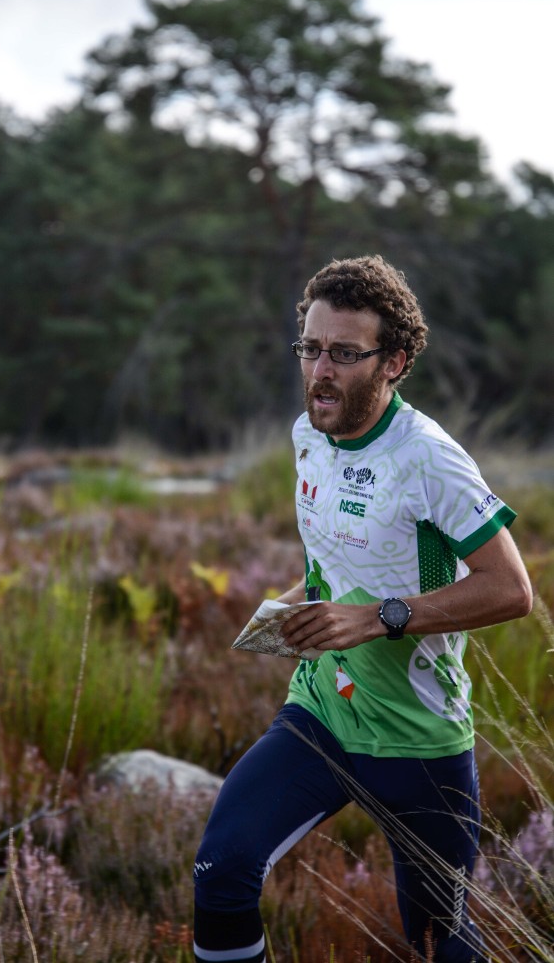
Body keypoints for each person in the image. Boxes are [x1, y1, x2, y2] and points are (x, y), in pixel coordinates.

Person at [192, 255, 533, 963]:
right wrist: (286, 613)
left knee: (438, 936)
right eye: (311, 349)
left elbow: (510, 589)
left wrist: (379, 617)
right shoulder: (307, 436)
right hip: (323, 711)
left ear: (394, 362)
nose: (321, 371)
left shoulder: (430, 458)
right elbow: (329, 564)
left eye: (345, 354)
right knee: (220, 873)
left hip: (419, 740)